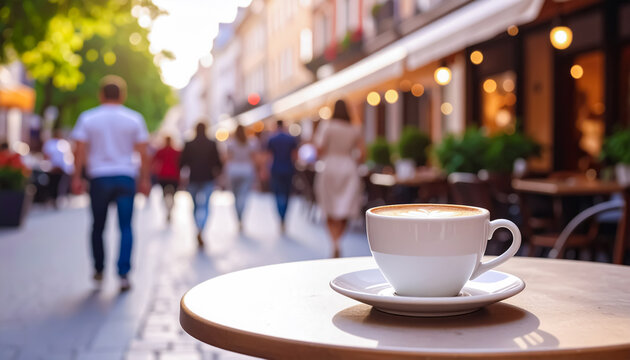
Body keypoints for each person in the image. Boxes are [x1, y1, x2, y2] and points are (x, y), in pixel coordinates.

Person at [71, 75, 151, 291]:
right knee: (126, 226)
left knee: (98, 226)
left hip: (99, 178)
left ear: (101, 95)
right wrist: (145, 179)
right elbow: (143, 154)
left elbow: (79, 151)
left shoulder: (88, 118)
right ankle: (123, 274)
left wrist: (76, 177)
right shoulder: (134, 119)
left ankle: (98, 270)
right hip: (125, 176)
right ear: (122, 95)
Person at [314, 99, 365, 258]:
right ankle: (339, 240)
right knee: (345, 208)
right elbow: (362, 154)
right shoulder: (354, 128)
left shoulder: (327, 126)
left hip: (329, 167)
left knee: (329, 207)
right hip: (348, 168)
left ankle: (334, 242)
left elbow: (319, 150)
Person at [180, 122, 223, 247]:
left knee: (194, 205)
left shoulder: (189, 144)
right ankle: (201, 227)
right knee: (206, 205)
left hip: (193, 177)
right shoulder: (212, 143)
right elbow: (218, 163)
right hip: (208, 177)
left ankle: (197, 226)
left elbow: (182, 162)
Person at [266, 120, 298, 232]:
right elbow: (295, 155)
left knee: (278, 193)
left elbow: (268, 156)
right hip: (288, 169)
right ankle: (284, 217)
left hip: (276, 169)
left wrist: (265, 169)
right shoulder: (290, 138)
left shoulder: (272, 139)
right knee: (287, 194)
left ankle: (281, 217)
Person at [225, 124, 256, 229]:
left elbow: (228, 158)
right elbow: (253, 158)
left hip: (234, 170)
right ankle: (240, 216)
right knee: (243, 195)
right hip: (246, 170)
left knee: (236, 196)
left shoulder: (231, 143)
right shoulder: (250, 143)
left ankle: (238, 217)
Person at [42, 129, 74, 208]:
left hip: (62, 168)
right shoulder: (50, 143)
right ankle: (52, 198)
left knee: (61, 184)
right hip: (53, 168)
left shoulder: (64, 143)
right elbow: (46, 155)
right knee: (52, 183)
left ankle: (59, 198)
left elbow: (68, 156)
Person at [153, 136, 180, 223]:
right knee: (172, 195)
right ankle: (170, 208)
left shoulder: (161, 151)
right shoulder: (176, 151)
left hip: (163, 175)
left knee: (165, 194)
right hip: (174, 175)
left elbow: (154, 161)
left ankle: (167, 208)